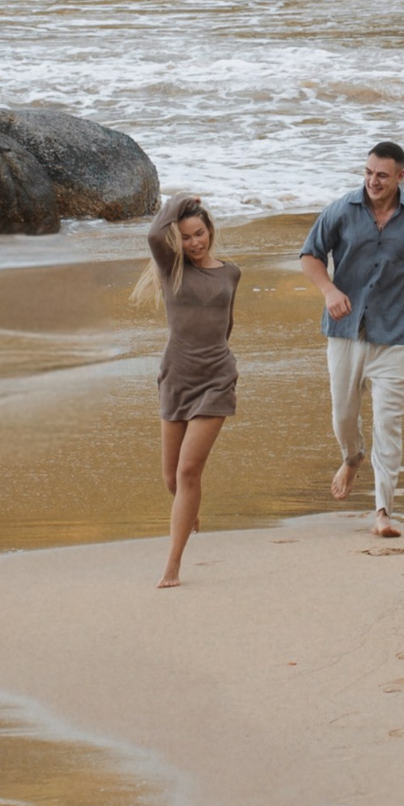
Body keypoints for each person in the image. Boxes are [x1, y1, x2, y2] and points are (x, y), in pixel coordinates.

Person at [298, 140, 404, 539]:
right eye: (368, 173)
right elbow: (310, 255)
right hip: (345, 331)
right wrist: (329, 291)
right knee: (343, 417)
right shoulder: (341, 210)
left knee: (389, 423)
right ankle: (352, 457)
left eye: (382, 175)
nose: (372, 181)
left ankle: (383, 509)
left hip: (397, 334)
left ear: (400, 176)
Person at [137, 192, 240, 587]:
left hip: (216, 379)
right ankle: (189, 504)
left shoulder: (231, 273)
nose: (195, 243)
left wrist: (222, 363)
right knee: (171, 480)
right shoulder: (171, 268)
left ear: (210, 230)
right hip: (177, 377)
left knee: (188, 469)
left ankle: (172, 567)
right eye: (186, 237)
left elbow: (225, 326)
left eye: (199, 234)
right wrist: (178, 202)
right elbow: (152, 234)